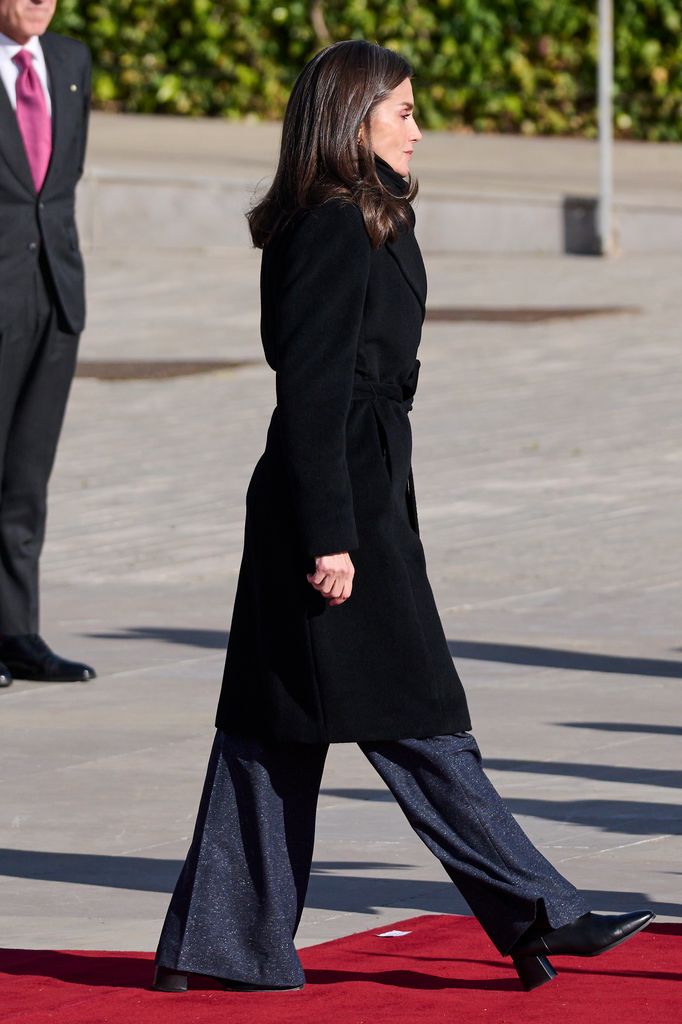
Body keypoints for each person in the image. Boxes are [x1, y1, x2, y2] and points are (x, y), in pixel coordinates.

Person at [153, 40, 652, 994]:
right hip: (333, 493)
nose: (420, 129)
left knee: (273, 729)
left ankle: (217, 945)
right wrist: (330, 532)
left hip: (354, 482)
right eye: (405, 112)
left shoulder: (361, 214)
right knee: (419, 712)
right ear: (354, 119)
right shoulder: (335, 224)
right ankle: (542, 910)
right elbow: (310, 388)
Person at [0, 0, 95, 687]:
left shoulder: (68, 61)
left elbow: (60, 186)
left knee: (26, 480)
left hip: (54, 293)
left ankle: (16, 631)